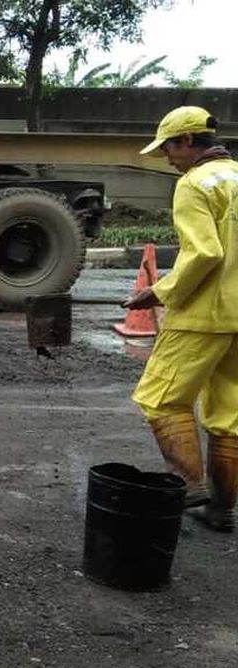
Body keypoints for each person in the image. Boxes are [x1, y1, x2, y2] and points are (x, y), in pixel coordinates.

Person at [124, 106, 238, 532]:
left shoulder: (194, 184)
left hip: (202, 315)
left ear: (187, 141)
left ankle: (190, 486)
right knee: (229, 413)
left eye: (169, 148)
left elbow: (206, 253)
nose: (168, 158)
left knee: (160, 398)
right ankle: (223, 510)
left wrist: (160, 291)